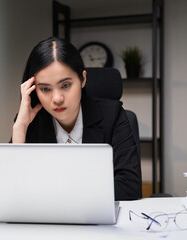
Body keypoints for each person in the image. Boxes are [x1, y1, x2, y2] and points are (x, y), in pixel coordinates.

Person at [11, 37, 141, 200]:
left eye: (65, 85)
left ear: (83, 79)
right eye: (45, 89)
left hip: (95, 219)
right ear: (33, 90)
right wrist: (20, 127)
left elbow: (129, 187)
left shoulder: (112, 115)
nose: (57, 98)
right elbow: (12, 188)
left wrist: (54, 191)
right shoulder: (30, 122)